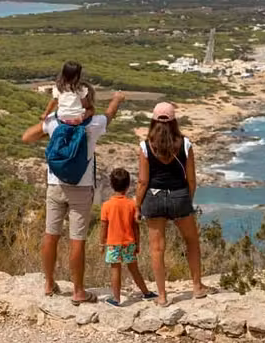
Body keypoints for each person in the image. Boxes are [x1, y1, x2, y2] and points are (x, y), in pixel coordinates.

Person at [22, 86, 125, 305]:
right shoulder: (94, 124)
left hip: (55, 186)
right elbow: (110, 114)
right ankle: (78, 291)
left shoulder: (54, 122)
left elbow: (26, 137)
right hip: (81, 187)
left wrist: (47, 130)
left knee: (51, 235)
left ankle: (49, 283)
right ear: (86, 103)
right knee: (77, 240)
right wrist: (116, 99)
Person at [135, 102, 213, 306]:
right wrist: (188, 200)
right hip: (179, 196)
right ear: (174, 120)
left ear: (153, 120)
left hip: (153, 197)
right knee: (192, 242)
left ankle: (162, 296)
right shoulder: (185, 144)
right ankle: (196, 286)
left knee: (157, 249)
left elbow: (143, 181)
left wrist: (137, 205)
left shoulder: (146, 146)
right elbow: (192, 179)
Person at [99, 168, 158, 307]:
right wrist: (138, 243)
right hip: (129, 242)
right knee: (134, 268)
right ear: (127, 185)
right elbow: (135, 226)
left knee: (115, 269)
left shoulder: (106, 206)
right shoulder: (132, 204)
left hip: (113, 244)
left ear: (112, 185)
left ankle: (116, 299)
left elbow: (103, 227)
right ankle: (146, 293)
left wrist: (102, 244)